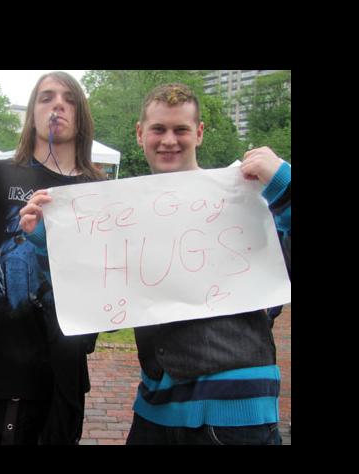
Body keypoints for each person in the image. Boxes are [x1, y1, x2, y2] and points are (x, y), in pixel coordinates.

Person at [22, 83, 291, 445]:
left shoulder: (247, 194)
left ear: (199, 132)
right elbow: (93, 297)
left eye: (181, 129)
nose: (169, 140)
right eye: (158, 129)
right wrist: (49, 241)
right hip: (155, 411)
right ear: (140, 134)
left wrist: (285, 184)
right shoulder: (123, 213)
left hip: (236, 418)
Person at [0, 71, 106, 445]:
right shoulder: (0, 175)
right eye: (46, 97)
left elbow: (108, 278)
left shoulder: (98, 188)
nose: (58, 105)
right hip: (5, 365)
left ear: (81, 116)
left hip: (67, 370)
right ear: (32, 113)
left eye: (69, 99)